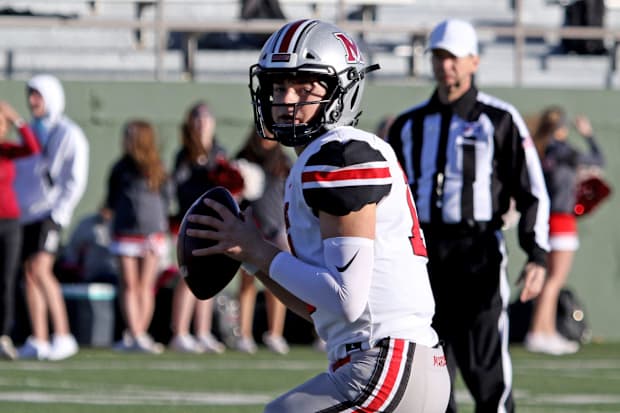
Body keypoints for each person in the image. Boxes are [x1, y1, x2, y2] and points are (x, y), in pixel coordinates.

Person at [187, 19, 450, 412]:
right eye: (278, 87)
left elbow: (346, 299)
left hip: (385, 365)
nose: (286, 99)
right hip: (390, 364)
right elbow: (319, 306)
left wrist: (256, 248)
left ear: (341, 90)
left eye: (304, 87)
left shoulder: (340, 155)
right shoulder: (324, 156)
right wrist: (250, 259)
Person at [386, 19, 550, 413]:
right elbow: (391, 197)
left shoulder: (499, 119)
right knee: (430, 371)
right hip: (423, 257)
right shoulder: (408, 125)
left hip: (478, 254)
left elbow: (533, 191)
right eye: (440, 57)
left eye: (454, 58)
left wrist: (537, 254)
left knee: (485, 367)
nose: (447, 67)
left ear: (474, 61)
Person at [13, 74, 89, 361]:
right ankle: (40, 338)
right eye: (30, 95)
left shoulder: (68, 133)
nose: (32, 101)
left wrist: (61, 210)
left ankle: (63, 334)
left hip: (52, 214)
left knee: (41, 269)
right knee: (30, 274)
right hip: (28, 215)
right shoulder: (32, 132)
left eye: (38, 95)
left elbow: (74, 178)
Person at [525, 107, 604, 355]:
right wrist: (588, 135)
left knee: (550, 279)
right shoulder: (564, 152)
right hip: (561, 220)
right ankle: (539, 332)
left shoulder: (543, 150)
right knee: (554, 280)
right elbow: (598, 159)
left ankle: (546, 330)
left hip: (548, 219)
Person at [168, 101, 239, 354]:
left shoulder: (219, 152)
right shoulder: (185, 154)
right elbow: (179, 186)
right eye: (197, 119)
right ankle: (180, 332)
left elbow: (230, 185)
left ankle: (202, 331)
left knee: (209, 277)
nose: (201, 124)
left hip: (213, 221)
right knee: (187, 277)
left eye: (205, 119)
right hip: (191, 221)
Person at [105, 119, 170, 354]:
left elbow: (166, 198)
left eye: (131, 135)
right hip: (125, 233)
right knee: (129, 285)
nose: (126, 140)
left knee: (145, 286)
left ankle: (139, 333)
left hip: (152, 234)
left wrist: (161, 229)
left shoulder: (157, 168)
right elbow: (111, 199)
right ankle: (134, 334)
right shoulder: (119, 168)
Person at [234, 128, 292, 355]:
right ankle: (244, 334)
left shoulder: (283, 161)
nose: (266, 139)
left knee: (277, 282)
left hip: (276, 229)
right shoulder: (242, 159)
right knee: (248, 281)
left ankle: (274, 334)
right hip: (251, 228)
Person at [0, 100, 41, 360]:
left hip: (10, 222)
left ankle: (3, 334)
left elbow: (32, 147)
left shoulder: (6, 150)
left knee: (7, 279)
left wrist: (17, 120)